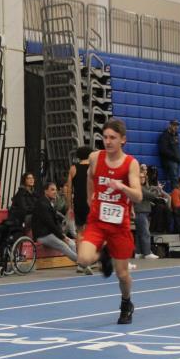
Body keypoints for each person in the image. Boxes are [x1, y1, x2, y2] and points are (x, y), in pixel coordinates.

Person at [75, 119, 143, 325]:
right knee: (83, 259)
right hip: (97, 221)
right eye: (105, 137)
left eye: (113, 138)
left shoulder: (130, 163)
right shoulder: (95, 157)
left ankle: (126, 302)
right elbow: (89, 176)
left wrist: (122, 187)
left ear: (123, 140)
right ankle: (104, 254)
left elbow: (138, 196)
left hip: (119, 226)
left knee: (122, 274)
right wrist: (90, 198)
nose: (108, 141)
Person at [32, 182, 79, 263]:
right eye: (52, 190)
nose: (55, 192)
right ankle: (83, 263)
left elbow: (55, 222)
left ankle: (81, 263)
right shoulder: (42, 204)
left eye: (56, 190)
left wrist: (62, 235)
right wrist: (62, 237)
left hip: (50, 233)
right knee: (63, 245)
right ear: (46, 191)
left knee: (72, 243)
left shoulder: (49, 202)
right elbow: (50, 224)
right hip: (43, 235)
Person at [65, 146, 92, 272]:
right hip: (91, 202)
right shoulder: (93, 168)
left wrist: (70, 206)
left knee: (79, 232)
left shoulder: (73, 168)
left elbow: (69, 190)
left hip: (79, 202)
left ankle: (80, 262)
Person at [133, 166, 159, 260]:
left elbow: (148, 191)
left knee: (140, 233)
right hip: (140, 212)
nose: (142, 178)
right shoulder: (139, 188)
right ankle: (147, 253)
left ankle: (138, 252)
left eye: (144, 177)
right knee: (145, 233)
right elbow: (152, 196)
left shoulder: (142, 187)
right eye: (140, 177)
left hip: (142, 212)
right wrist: (158, 189)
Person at [158, 119, 180, 191]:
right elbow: (163, 150)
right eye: (174, 125)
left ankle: (177, 194)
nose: (176, 127)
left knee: (178, 179)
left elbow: (177, 148)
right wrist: (175, 157)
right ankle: (175, 195)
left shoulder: (176, 135)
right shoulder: (164, 136)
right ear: (170, 125)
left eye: (177, 125)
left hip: (177, 160)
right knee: (174, 179)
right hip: (170, 161)